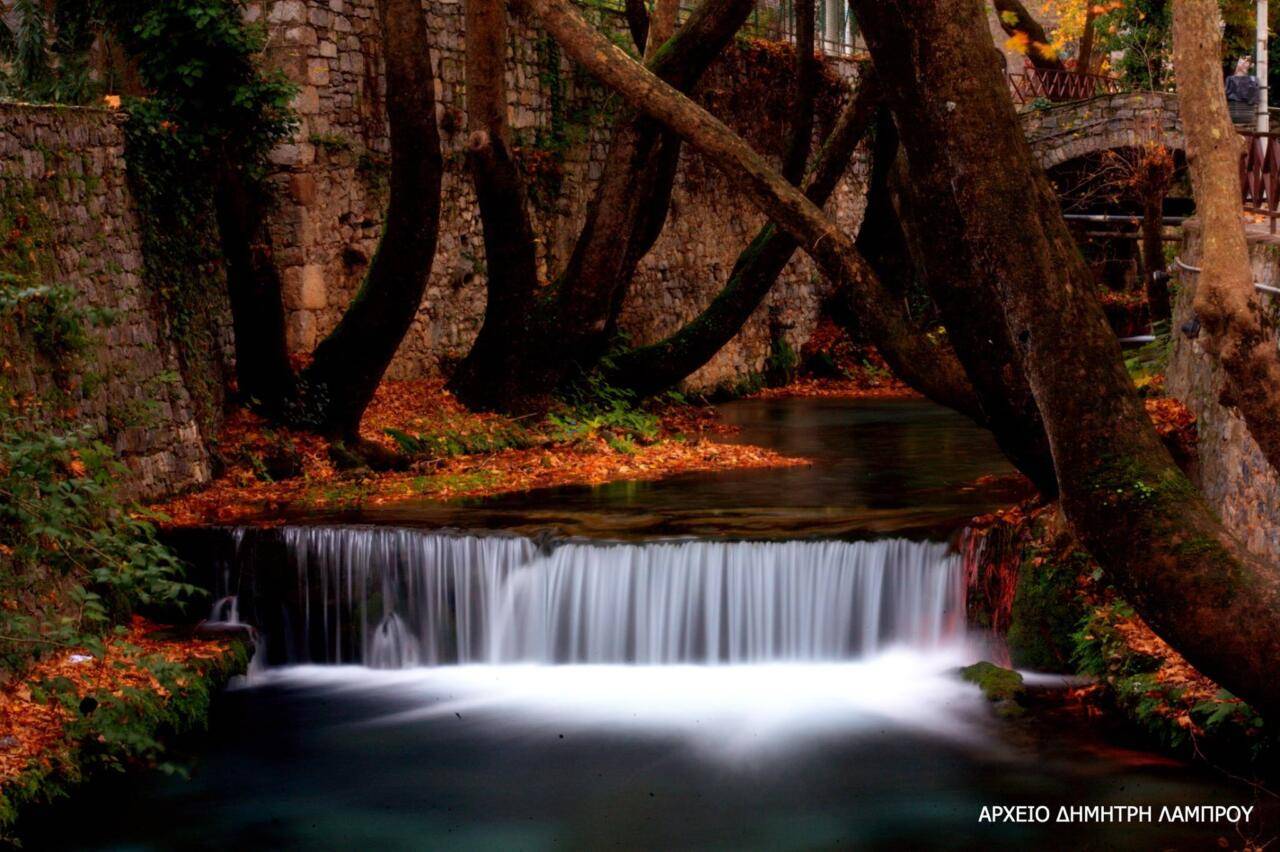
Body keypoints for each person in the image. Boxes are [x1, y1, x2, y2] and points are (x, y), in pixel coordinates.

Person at [1226, 56, 1260, 128]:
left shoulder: (1253, 80)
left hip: (1246, 116)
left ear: (1251, 65)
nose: (1243, 62)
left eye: (1247, 61)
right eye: (1242, 59)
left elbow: (1253, 98)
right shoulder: (1230, 79)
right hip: (1231, 115)